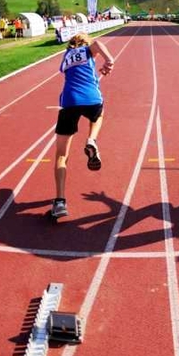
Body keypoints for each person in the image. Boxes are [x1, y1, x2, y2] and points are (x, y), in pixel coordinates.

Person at [50, 33, 115, 218]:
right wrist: (109, 61)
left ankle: (60, 201)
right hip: (92, 98)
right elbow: (98, 43)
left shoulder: (65, 58)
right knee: (98, 115)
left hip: (69, 101)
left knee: (61, 155)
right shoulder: (87, 50)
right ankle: (91, 140)